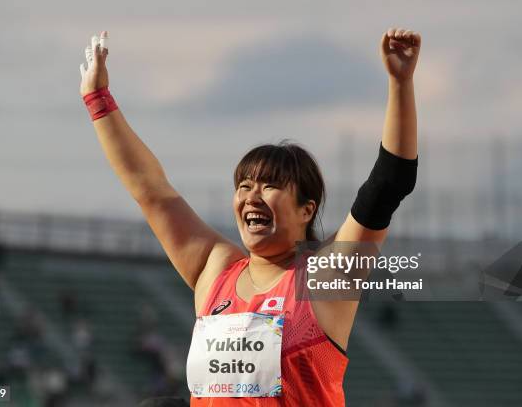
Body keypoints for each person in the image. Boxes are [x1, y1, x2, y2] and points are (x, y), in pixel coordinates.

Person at [79, 27, 420, 407]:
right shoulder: (217, 270)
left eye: (269, 185)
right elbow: (151, 191)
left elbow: (388, 184)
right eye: (243, 186)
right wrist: (97, 100)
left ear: (306, 209)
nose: (251, 196)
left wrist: (400, 83)